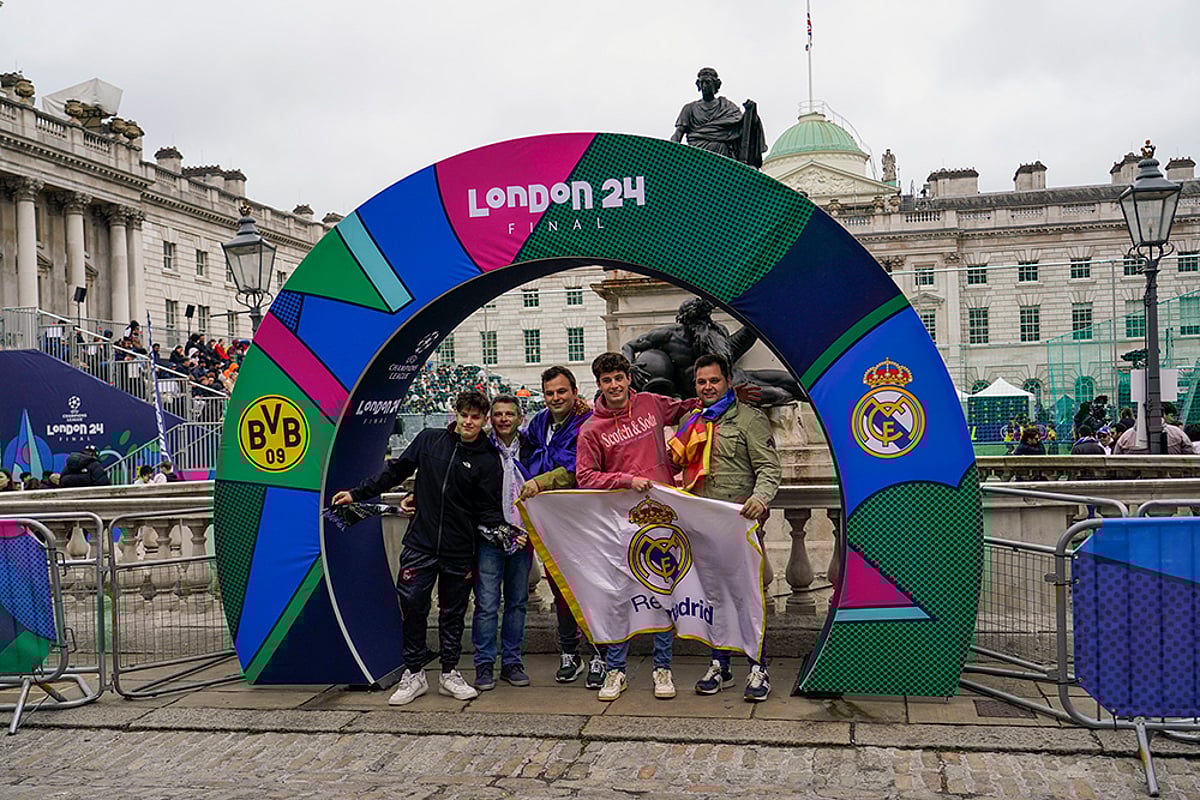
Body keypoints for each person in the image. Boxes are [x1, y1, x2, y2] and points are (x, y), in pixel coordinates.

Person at [331, 390, 507, 706]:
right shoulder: (429, 440)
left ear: (484, 421)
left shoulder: (488, 459)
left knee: (453, 613)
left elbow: (489, 509)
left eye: (476, 417)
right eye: (464, 415)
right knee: (413, 607)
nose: (468, 422)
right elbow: (395, 471)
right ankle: (414, 673)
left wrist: (508, 531)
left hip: (459, 549)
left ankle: (450, 672)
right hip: (420, 543)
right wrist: (358, 494)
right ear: (456, 414)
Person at [576, 352, 698, 702]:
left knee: (663, 593)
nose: (614, 386)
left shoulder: (651, 404)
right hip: (619, 523)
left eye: (618, 378)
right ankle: (616, 670)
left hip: (662, 518)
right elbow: (585, 477)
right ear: (599, 385)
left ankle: (663, 669)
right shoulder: (591, 429)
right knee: (618, 597)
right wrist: (627, 480)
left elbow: (689, 407)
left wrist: (723, 399)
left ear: (629, 378)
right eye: (606, 380)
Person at [675, 354, 780, 702]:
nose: (708, 387)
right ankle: (720, 663)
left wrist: (760, 499)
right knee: (712, 596)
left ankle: (757, 666)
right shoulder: (691, 422)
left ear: (728, 382)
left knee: (747, 595)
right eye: (701, 382)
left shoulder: (750, 420)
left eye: (714, 381)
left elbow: (769, 468)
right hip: (703, 526)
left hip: (739, 523)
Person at [516, 366, 601, 687]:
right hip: (549, 520)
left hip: (582, 516)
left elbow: (579, 467)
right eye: (550, 393)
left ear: (574, 392)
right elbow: (520, 455)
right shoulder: (538, 423)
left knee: (590, 587)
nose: (555, 398)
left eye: (561, 391)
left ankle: (599, 654)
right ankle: (569, 652)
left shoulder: (587, 423)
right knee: (558, 586)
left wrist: (540, 481)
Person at [471, 395, 533, 692]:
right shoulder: (480, 447)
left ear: (520, 418)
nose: (504, 419)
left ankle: (511, 661)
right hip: (490, 535)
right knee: (486, 603)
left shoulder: (532, 447)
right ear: (490, 418)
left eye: (510, 414)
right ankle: (484, 664)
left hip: (522, 535)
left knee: (518, 602)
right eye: (498, 414)